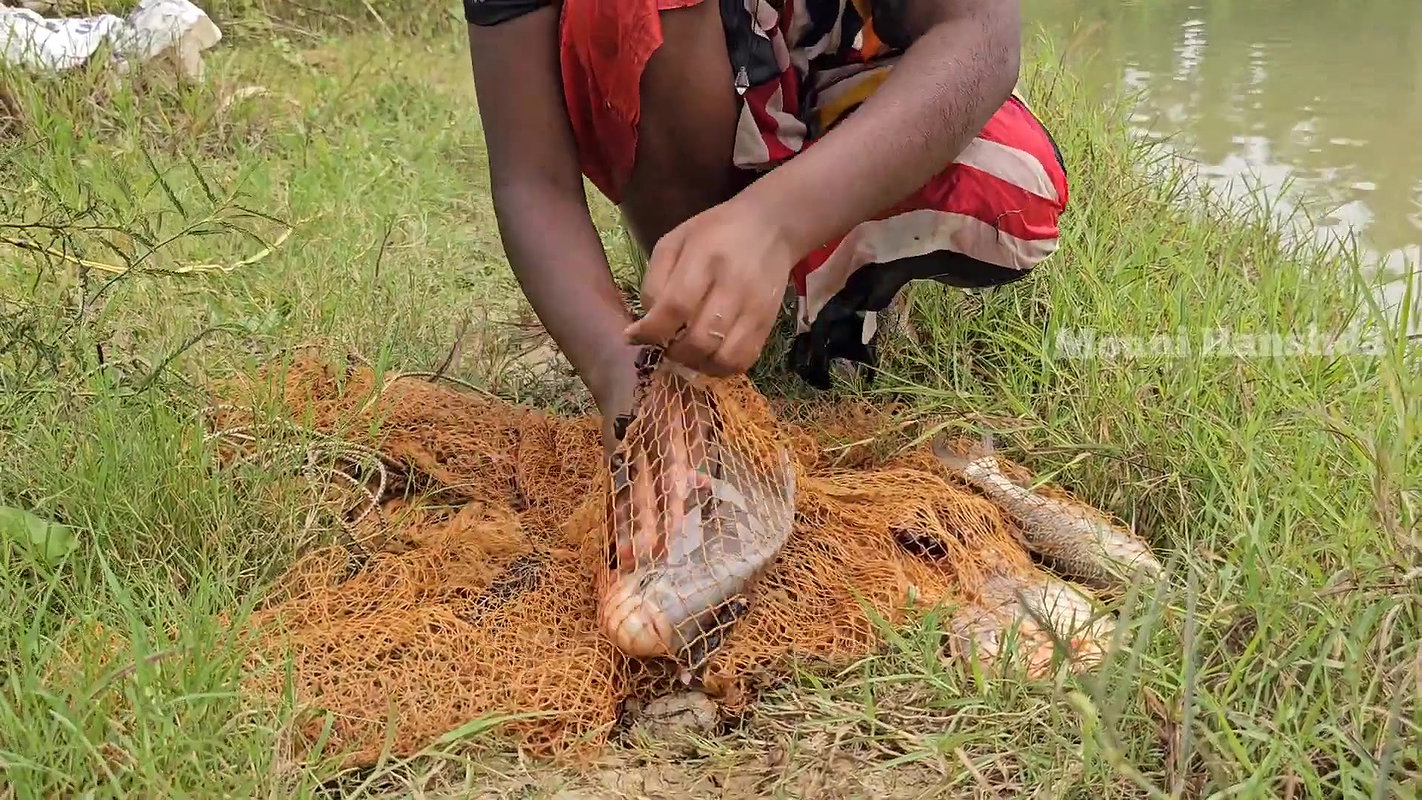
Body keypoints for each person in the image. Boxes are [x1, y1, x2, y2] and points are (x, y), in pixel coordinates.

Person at [464, 0, 1068, 458]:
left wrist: (774, 224)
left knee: (1009, 184)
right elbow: (531, 181)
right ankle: (694, 293)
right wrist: (619, 372)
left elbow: (981, 30)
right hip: (692, 103)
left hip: (827, 84)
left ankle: (829, 286)